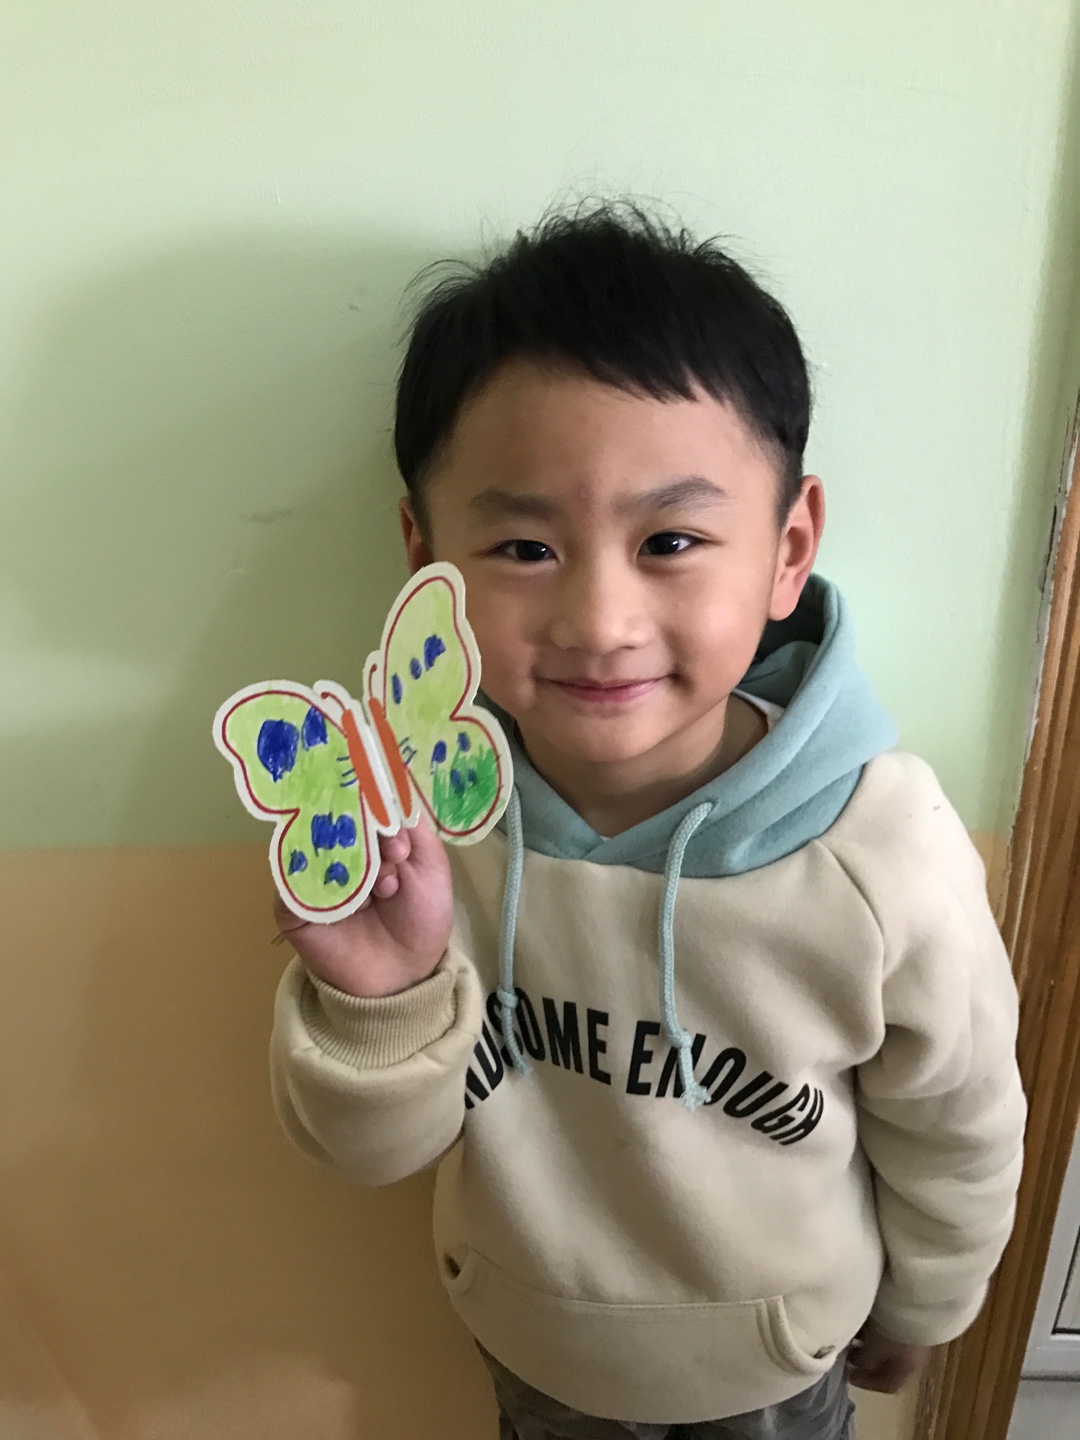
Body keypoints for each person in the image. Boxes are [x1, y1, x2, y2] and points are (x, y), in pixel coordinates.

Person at [269, 205, 1027, 1440]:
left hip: (779, 1370)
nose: (600, 621)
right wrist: (380, 998)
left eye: (671, 539)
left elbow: (960, 1123)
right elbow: (365, 1153)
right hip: (533, 1350)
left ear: (788, 549)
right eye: (524, 546)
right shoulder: (408, 825)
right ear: (423, 557)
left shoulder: (882, 850)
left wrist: (930, 1303)